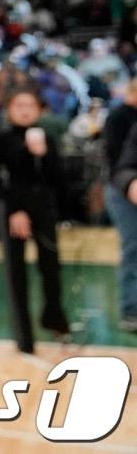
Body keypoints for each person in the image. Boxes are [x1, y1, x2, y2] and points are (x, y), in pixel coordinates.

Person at [0, 91, 70, 352]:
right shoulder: (2, 139)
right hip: (14, 211)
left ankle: (54, 319)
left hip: (44, 208)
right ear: (10, 109)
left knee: (51, 267)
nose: (25, 110)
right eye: (19, 105)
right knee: (16, 274)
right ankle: (24, 338)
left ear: (39, 109)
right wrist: (15, 211)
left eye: (30, 105)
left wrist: (44, 154)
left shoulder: (45, 136)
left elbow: (58, 178)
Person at [104, 81, 137, 329]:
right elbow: (119, 162)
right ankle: (130, 310)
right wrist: (129, 182)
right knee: (133, 248)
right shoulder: (118, 117)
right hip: (123, 190)